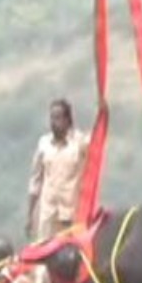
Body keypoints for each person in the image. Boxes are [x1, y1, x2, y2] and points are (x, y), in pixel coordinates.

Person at [26, 98, 91, 241]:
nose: (54, 123)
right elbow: (35, 181)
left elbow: (97, 144)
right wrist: (30, 215)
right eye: (52, 118)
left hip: (71, 213)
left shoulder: (79, 143)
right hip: (48, 215)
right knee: (44, 251)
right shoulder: (44, 144)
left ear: (67, 120)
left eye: (58, 118)